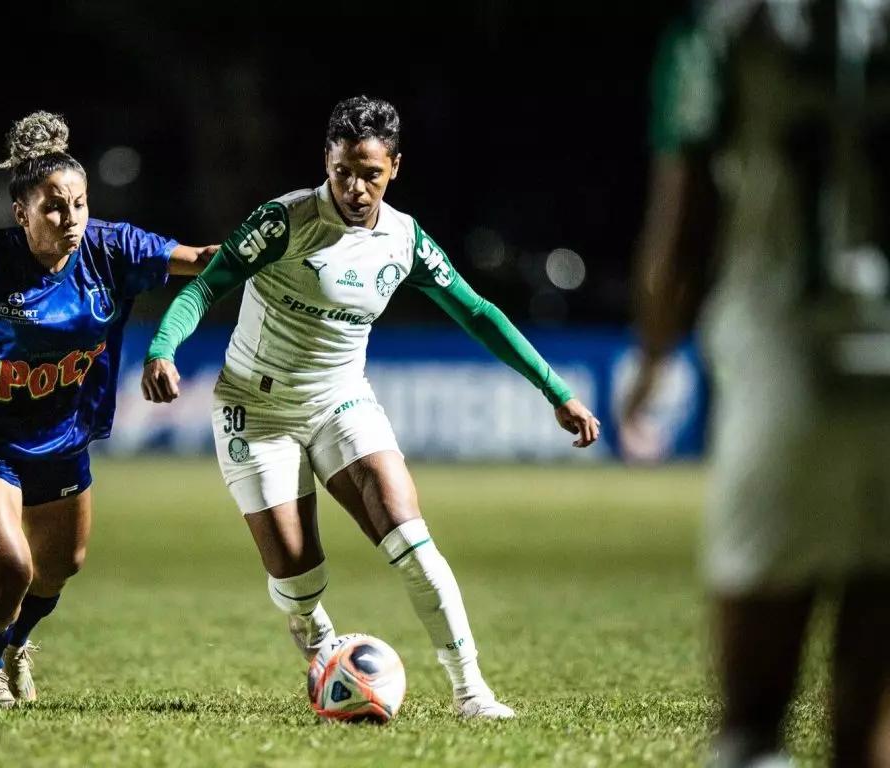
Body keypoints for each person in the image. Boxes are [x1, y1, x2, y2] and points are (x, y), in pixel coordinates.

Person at [141, 95, 601, 720]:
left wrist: (556, 391)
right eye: (343, 172)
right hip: (257, 409)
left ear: (395, 168)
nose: (355, 188)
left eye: (370, 174)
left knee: (413, 541)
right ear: (325, 163)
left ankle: (472, 692)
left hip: (341, 400)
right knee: (299, 580)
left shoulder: (405, 239)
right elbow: (203, 288)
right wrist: (162, 349)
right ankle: (322, 644)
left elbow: (477, 313)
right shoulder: (284, 221)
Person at [622, 3, 890, 765]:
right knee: (867, 725)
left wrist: (653, 358)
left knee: (751, 726)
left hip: (786, 357)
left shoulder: (718, 27)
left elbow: (684, 220)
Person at [0, 111, 216, 708]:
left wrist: (278, 245)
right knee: (8, 572)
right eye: (53, 207)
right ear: (21, 213)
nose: (70, 217)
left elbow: (203, 258)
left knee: (61, 567)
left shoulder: (112, 247)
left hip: (62, 438)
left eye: (79, 204)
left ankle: (15, 642)